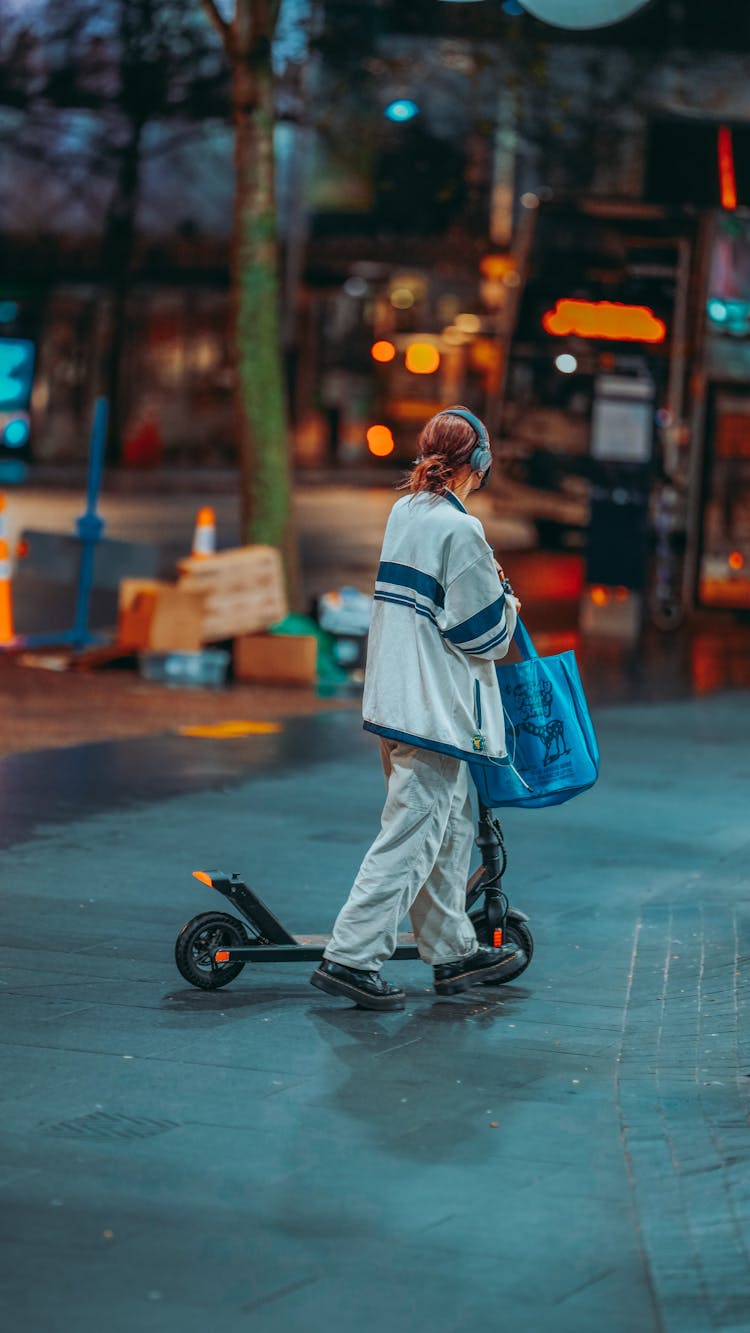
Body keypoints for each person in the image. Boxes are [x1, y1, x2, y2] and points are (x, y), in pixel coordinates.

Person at [311, 406, 526, 1012]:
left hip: (395, 699)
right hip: (433, 710)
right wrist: (508, 600)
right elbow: (486, 636)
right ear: (478, 463)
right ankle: (351, 957)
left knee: (447, 829)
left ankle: (451, 952)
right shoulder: (463, 531)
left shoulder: (404, 512)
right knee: (412, 834)